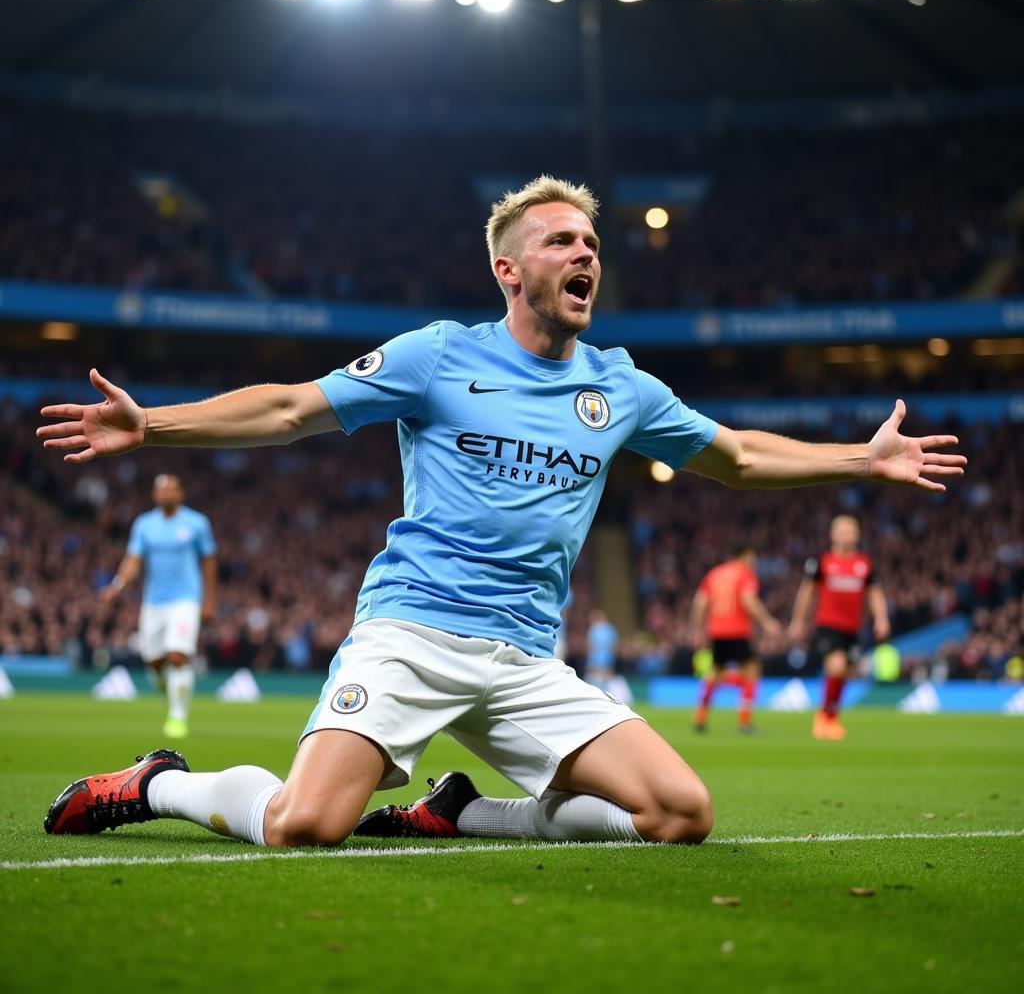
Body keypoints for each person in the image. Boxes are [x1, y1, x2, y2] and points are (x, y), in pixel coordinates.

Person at [38, 176, 965, 848]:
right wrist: (152, 423)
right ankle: (160, 787)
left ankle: (465, 812)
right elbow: (289, 407)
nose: (585, 255)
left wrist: (860, 459)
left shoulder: (621, 387)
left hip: (526, 660)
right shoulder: (439, 356)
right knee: (305, 824)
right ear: (509, 270)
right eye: (562, 242)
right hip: (414, 631)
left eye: (592, 245)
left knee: (681, 814)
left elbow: (738, 456)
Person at [101, 473, 217, 739]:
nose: (166, 493)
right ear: (154, 495)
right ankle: (175, 695)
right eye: (161, 490)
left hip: (186, 599)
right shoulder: (144, 524)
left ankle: (178, 717)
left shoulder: (196, 523)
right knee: (154, 662)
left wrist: (209, 601)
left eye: (171, 489)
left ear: (181, 493)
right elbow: (133, 559)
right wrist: (118, 585)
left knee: (177, 656)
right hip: (153, 601)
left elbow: (210, 562)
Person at [788, 514, 889, 740]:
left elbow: (875, 593)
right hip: (827, 625)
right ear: (833, 535)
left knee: (846, 672)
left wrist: (882, 618)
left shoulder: (864, 564)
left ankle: (829, 715)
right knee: (836, 666)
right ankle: (825, 718)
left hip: (852, 629)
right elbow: (806, 592)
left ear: (858, 535)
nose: (847, 535)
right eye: (843, 531)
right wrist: (798, 621)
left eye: (851, 531)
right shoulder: (822, 562)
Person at [690, 545, 781, 734]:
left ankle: (700, 717)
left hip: (716, 631)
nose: (754, 562)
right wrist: (766, 621)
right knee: (752, 671)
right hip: (737, 631)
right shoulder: (745, 574)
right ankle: (745, 722)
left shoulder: (714, 574)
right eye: (752, 558)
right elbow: (748, 599)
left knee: (715, 672)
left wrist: (698, 629)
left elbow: (700, 602)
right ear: (745, 555)